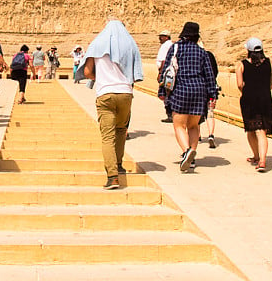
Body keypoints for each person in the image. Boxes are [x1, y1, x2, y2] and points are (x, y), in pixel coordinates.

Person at [77, 21, 144, 189]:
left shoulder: (97, 44)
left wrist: (102, 80)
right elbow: (135, 73)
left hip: (105, 94)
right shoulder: (129, 43)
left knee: (108, 136)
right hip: (125, 93)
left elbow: (87, 72)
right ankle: (119, 165)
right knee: (121, 130)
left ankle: (112, 176)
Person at [158, 22, 218, 173]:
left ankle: (186, 152)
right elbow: (209, 75)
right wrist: (213, 94)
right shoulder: (202, 52)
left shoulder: (176, 48)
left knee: (179, 125)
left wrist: (162, 91)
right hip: (199, 90)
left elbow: (167, 71)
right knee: (193, 126)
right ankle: (192, 158)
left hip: (181, 89)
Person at [236, 37, 272, 172]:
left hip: (249, 100)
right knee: (262, 130)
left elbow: (239, 84)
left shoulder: (242, 65)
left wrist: (248, 91)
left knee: (253, 129)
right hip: (265, 99)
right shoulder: (270, 63)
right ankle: (258, 157)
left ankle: (261, 159)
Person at [156, 30, 174, 123]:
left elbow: (163, 60)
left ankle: (170, 113)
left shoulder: (166, 46)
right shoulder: (170, 45)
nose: (160, 38)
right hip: (169, 73)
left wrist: (160, 73)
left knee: (165, 93)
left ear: (167, 37)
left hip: (165, 73)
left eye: (162, 36)